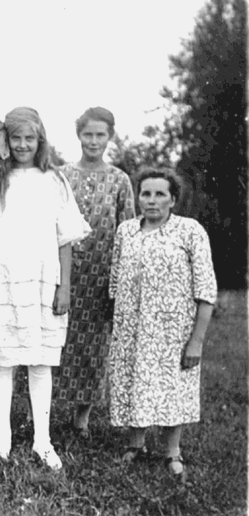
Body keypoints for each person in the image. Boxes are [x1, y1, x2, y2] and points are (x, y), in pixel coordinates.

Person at [0, 107, 90, 470]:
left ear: (40, 141)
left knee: (40, 360)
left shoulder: (54, 180)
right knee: (2, 359)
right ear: (5, 141)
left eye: (29, 138)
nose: (22, 145)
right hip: (0, 280)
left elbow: (65, 237)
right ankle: (2, 438)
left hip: (42, 282)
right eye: (16, 138)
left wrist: (64, 287)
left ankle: (42, 441)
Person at [109, 168, 216, 482]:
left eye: (160, 194)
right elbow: (115, 281)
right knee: (133, 381)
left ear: (173, 199)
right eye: (146, 193)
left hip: (173, 331)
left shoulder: (189, 231)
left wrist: (196, 341)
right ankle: (135, 444)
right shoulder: (126, 231)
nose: (151, 200)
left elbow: (206, 290)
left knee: (172, 389)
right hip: (132, 327)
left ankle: (172, 451)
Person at [53, 107, 136, 438]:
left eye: (100, 135)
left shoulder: (119, 180)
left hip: (101, 277)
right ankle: (39, 413)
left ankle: (81, 418)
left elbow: (128, 231)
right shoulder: (61, 175)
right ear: (78, 135)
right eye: (88, 134)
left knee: (93, 347)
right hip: (62, 272)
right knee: (53, 340)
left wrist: (123, 280)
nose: (93, 141)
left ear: (109, 137)